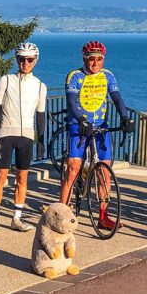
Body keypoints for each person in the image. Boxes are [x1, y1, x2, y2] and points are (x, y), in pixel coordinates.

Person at [58, 40, 134, 229]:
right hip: (79, 126)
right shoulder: (74, 76)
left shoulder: (108, 76)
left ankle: (103, 215)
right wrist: (81, 119)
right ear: (85, 58)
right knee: (73, 168)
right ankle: (61, 215)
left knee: (105, 170)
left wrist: (125, 117)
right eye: (92, 59)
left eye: (99, 59)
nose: (95, 63)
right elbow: (72, 101)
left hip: (101, 127)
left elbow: (117, 98)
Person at [0, 42, 47, 232]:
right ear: (17, 60)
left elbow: (40, 114)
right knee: (1, 176)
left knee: (22, 178)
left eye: (30, 60)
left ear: (35, 61)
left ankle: (17, 218)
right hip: (6, 133)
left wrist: (41, 140)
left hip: (27, 136)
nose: (25, 63)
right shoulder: (6, 80)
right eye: (22, 59)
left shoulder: (40, 86)